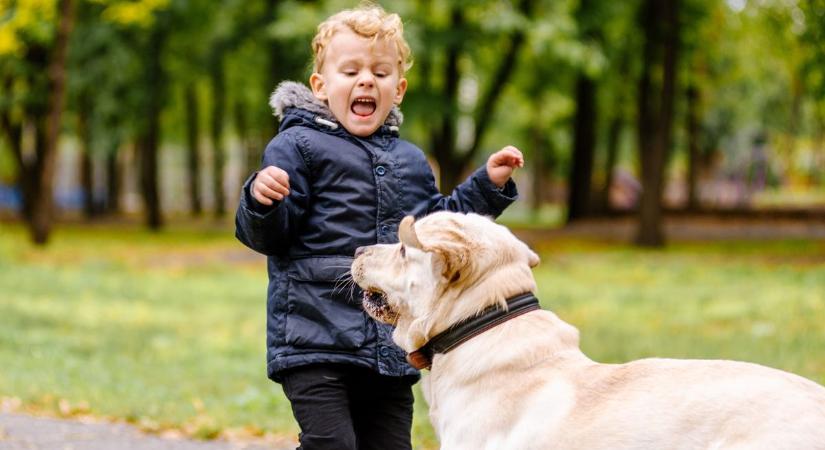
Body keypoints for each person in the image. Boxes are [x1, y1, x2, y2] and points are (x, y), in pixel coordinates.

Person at [234, 5, 524, 450]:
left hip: (390, 343)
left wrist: (487, 186)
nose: (366, 80)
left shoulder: (409, 161)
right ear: (320, 85)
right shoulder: (297, 146)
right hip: (317, 338)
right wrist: (261, 200)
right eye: (350, 70)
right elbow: (270, 236)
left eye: (381, 73)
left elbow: (436, 230)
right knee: (332, 444)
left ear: (399, 89)